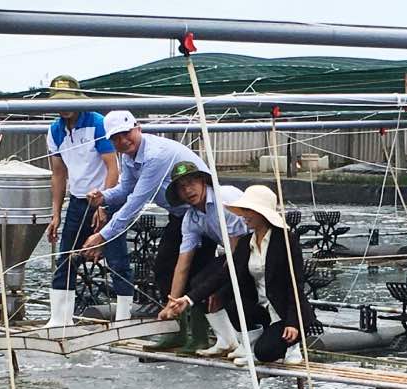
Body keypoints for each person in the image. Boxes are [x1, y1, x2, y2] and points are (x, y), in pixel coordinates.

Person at [81, 110, 215, 348]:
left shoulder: (155, 155)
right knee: (163, 267)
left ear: (138, 128)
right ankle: (176, 330)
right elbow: (124, 191)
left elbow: (136, 203)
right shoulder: (129, 158)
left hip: (204, 213)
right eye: (116, 138)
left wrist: (102, 235)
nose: (123, 141)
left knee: (198, 274)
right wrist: (103, 198)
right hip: (180, 215)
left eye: (126, 134)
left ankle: (200, 337)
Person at [164, 185, 314, 366]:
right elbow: (224, 275)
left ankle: (292, 346)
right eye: (243, 210)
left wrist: (293, 323)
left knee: (265, 352)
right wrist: (188, 299)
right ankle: (249, 345)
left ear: (262, 213)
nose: (244, 215)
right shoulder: (245, 243)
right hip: (262, 308)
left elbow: (295, 284)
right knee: (228, 295)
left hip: (286, 312)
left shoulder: (285, 240)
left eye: (248, 211)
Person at [43, 75, 131, 327]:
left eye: (69, 100)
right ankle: (60, 318)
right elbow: (59, 173)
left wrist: (104, 203)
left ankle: (123, 321)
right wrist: (56, 213)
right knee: (66, 258)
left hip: (106, 198)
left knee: (116, 259)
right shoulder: (54, 130)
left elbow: (112, 166)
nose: (64, 106)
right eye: (58, 102)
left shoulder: (97, 123)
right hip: (78, 199)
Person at [156, 161, 248, 356]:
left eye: (191, 183)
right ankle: (226, 341)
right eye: (182, 187)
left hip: (256, 248)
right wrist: (171, 303)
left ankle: (247, 343)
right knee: (198, 282)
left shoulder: (225, 199)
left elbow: (237, 251)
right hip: (235, 253)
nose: (188, 190)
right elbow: (183, 263)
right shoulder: (191, 218)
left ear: (202, 181)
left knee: (217, 287)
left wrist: (219, 287)